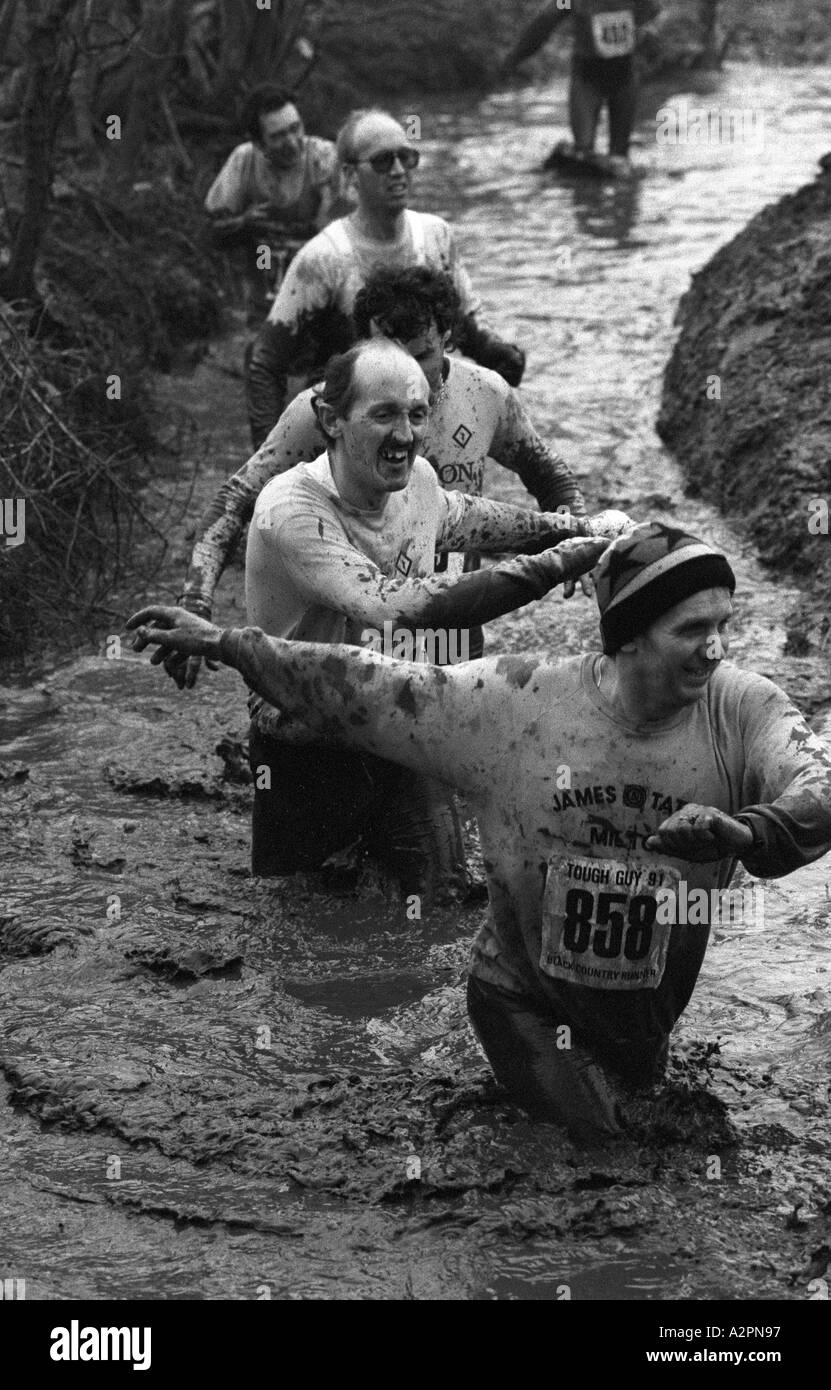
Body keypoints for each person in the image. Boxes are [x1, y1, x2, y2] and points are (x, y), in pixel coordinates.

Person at [129, 520, 831, 1142]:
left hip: (641, 1017)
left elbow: (820, 790)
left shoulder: (741, 710)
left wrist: (744, 834)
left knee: (642, 1106)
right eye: (690, 630)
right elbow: (373, 687)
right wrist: (227, 643)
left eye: (722, 626)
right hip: (520, 1001)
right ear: (629, 636)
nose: (714, 649)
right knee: (621, 1149)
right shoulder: (516, 701)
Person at [150, 337, 630, 902]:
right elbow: (391, 606)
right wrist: (558, 563)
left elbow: (477, 519)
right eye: (383, 416)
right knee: (300, 928)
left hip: (400, 725)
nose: (404, 435)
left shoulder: (419, 482)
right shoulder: (290, 510)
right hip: (307, 741)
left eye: (418, 415)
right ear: (332, 421)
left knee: (443, 901)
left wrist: (581, 529)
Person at [170, 264, 589, 689]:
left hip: (457, 609)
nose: (403, 372)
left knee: (449, 721)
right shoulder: (325, 408)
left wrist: (577, 537)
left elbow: (548, 475)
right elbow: (236, 499)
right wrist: (197, 601)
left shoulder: (486, 394)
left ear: (449, 340)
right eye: (389, 349)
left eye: (420, 355)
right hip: (352, 613)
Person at [244, 107, 527, 448]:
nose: (398, 171)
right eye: (382, 162)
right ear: (349, 175)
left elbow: (463, 320)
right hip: (346, 434)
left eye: (406, 158)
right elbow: (264, 363)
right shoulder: (323, 259)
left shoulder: (436, 235)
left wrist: (494, 351)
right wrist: (272, 458)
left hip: (423, 417)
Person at [204, 86, 340, 327]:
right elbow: (212, 234)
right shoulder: (244, 161)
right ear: (258, 142)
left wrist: (325, 216)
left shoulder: (324, 157)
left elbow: (357, 234)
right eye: (277, 136)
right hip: (265, 305)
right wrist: (244, 223)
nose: (292, 142)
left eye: (295, 128)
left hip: (322, 302)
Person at [501, 1, 662, 171]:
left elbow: (652, 15)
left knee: (618, 160)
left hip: (624, 77)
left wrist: (647, 37)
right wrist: (515, 57)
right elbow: (546, 20)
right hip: (587, 80)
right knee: (583, 156)